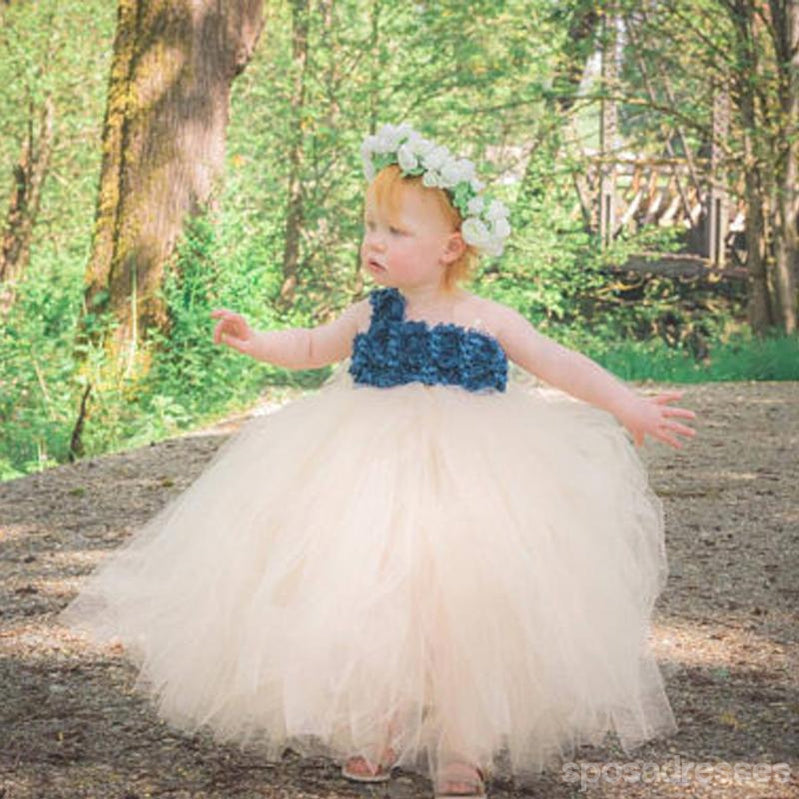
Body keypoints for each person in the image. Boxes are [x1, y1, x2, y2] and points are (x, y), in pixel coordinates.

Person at [58, 122, 697, 799]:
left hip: (470, 484)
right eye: (369, 226)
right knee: (372, 597)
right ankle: (379, 723)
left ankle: (463, 743)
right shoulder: (369, 313)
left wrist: (626, 403)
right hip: (368, 479)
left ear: (451, 247)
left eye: (395, 231)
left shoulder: (487, 317)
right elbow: (312, 346)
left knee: (462, 605)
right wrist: (257, 340)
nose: (374, 242)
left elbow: (557, 362)